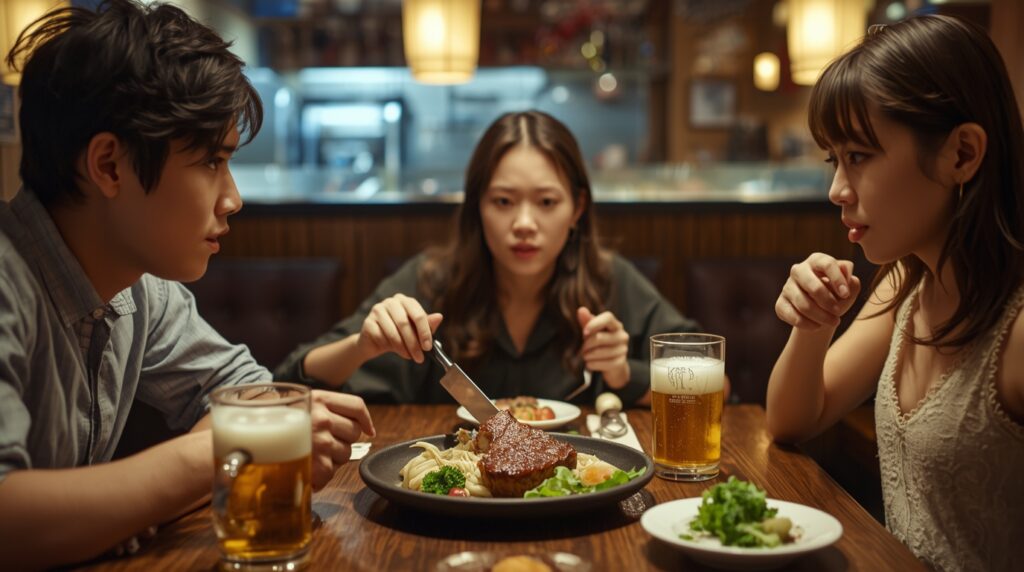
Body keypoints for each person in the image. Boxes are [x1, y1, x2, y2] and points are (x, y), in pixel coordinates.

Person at [0, 1, 374, 569]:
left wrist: (122, 506)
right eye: (211, 162)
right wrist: (223, 451)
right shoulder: (9, 281)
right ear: (109, 166)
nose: (234, 198)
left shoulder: (140, 289)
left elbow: (249, 393)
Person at [765, 15, 1024, 571]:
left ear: (962, 155)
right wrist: (813, 325)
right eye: (834, 160)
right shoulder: (907, 285)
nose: (837, 190)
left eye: (859, 156)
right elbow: (791, 421)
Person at [276, 110, 701, 406]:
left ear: (577, 209)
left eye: (547, 202)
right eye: (503, 201)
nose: (524, 223)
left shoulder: (609, 280)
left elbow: (711, 382)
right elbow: (292, 382)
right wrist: (361, 346)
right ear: (478, 207)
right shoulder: (432, 281)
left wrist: (626, 374)